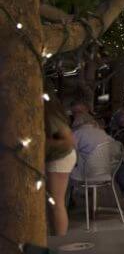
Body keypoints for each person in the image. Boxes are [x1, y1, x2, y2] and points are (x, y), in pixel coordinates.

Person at [45, 95, 76, 236]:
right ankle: (56, 238)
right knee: (55, 202)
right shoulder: (53, 110)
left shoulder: (49, 112)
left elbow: (67, 139)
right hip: (61, 156)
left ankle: (59, 240)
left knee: (56, 203)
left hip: (59, 157)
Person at [71, 112, 113, 180]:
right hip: (105, 174)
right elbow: (115, 146)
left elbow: (69, 152)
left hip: (85, 175)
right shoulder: (102, 132)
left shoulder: (78, 133)